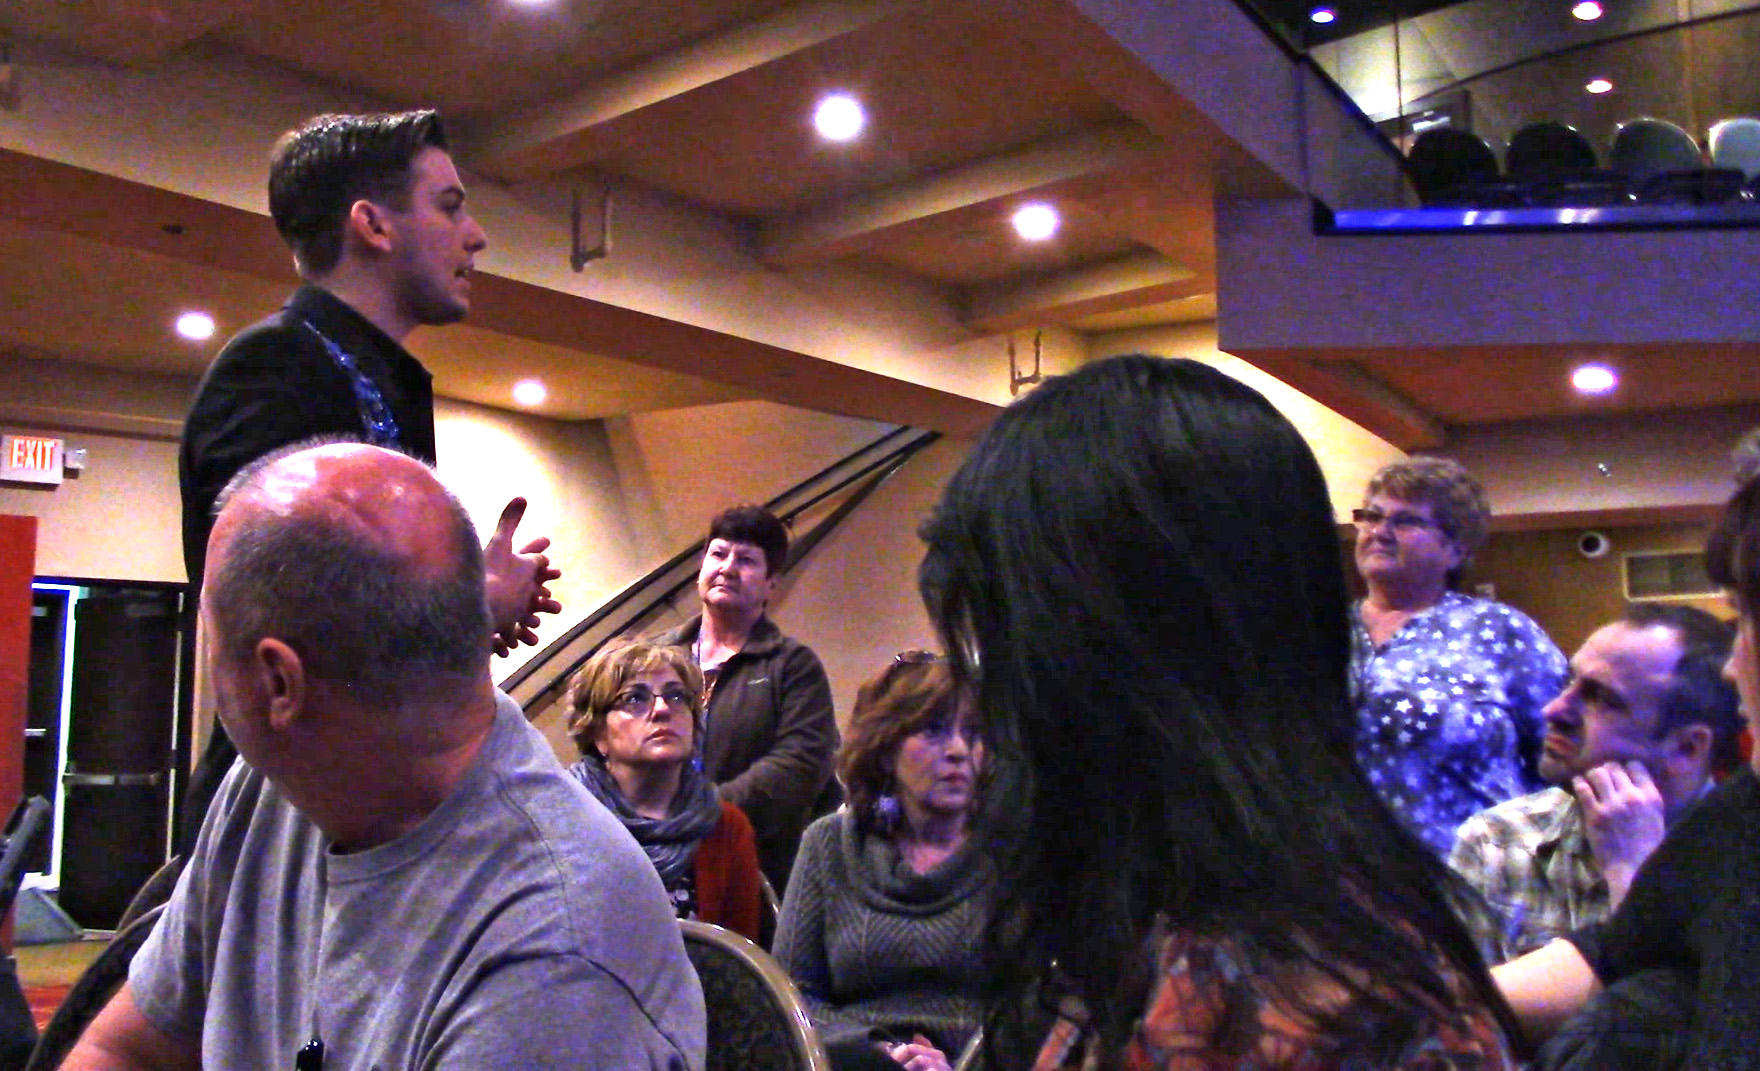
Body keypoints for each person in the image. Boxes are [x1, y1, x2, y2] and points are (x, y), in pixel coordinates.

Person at [917, 355, 1518, 1071]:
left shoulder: (1335, 1009)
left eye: (1015, 635)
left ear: (1124, 654)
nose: (996, 700)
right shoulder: (1145, 905)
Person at [66, 443, 703, 1071]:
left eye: (210, 631)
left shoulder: (555, 966)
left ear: (278, 683)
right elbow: (126, 1050)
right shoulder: (266, 791)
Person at [177, 109, 561, 851]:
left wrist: (460, 599)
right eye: (449, 206)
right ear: (373, 225)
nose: (476, 235)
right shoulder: (275, 369)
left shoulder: (373, 377)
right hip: (286, 826)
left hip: (347, 811)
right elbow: (289, 626)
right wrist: (472, 607)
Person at [1493, 471, 1760, 1068]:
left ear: (1688, 750)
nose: (1733, 665)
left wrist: (1628, 868)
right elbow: (1614, 955)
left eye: (1745, 619)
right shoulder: (1735, 818)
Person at [1450, 604, 1739, 963]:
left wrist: (1633, 874)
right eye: (1569, 682)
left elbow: (1675, 998)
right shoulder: (1498, 839)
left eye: (1600, 698)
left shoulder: (1740, 858)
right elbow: (1461, 997)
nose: (1553, 710)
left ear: (1686, 748)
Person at [773, 652, 989, 1071]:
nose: (959, 750)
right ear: (886, 750)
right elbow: (791, 996)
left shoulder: (1012, 854)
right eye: (934, 730)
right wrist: (881, 1052)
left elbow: (1037, 1005)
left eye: (973, 733)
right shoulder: (829, 844)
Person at [1350, 457, 1569, 856]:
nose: (1379, 532)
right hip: (1341, 873)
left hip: (1472, 870)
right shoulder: (1322, 629)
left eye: (1406, 521)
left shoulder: (1500, 631)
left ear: (1455, 549)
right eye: (1372, 516)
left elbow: (1563, 752)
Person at [656, 505, 837, 892]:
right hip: (651, 866)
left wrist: (705, 812)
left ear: (772, 584)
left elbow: (801, 764)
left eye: (747, 560)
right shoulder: (653, 658)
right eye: (718, 553)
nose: (727, 567)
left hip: (751, 873)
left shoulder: (793, 666)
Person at [563, 639, 764, 941]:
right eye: (634, 698)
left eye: (676, 696)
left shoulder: (725, 826)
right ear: (597, 733)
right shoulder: (564, 822)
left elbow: (737, 958)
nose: (662, 709)